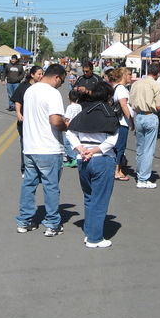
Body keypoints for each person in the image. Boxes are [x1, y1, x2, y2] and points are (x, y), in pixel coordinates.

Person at [66, 81, 120, 248]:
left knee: (89, 197)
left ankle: (89, 231)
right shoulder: (109, 113)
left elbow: (70, 132)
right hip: (102, 159)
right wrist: (95, 150)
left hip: (83, 159)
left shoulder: (84, 112)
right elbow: (113, 139)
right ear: (109, 96)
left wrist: (81, 148)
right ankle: (95, 238)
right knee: (100, 199)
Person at [16, 64, 67, 236]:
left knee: (29, 184)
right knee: (51, 186)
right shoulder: (53, 93)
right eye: (62, 81)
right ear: (57, 77)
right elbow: (55, 121)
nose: (61, 84)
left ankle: (25, 220)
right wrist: (67, 124)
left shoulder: (30, 90)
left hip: (30, 147)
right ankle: (52, 223)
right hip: (48, 148)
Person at [128, 67, 160, 188]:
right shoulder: (157, 85)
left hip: (138, 115)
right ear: (158, 74)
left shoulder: (136, 84)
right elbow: (159, 106)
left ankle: (140, 173)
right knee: (148, 149)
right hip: (150, 115)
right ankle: (143, 178)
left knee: (140, 147)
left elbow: (131, 101)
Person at [10, 65, 44, 174]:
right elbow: (17, 101)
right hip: (25, 122)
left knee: (39, 145)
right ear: (32, 75)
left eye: (42, 74)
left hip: (39, 122)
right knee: (25, 145)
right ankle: (25, 169)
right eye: (39, 74)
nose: (41, 76)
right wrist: (19, 113)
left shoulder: (43, 87)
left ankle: (38, 168)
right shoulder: (23, 86)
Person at [108, 67, 134, 180]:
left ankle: (116, 169)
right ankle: (117, 171)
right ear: (124, 75)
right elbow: (123, 105)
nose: (131, 77)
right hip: (122, 122)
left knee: (117, 146)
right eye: (129, 75)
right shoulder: (121, 89)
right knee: (120, 147)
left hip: (119, 121)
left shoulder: (117, 87)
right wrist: (131, 120)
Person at [62, 89, 82, 168]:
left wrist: (64, 123)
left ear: (69, 97)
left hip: (70, 127)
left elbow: (67, 118)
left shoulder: (70, 107)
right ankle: (75, 156)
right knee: (74, 142)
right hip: (77, 126)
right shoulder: (79, 106)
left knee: (66, 142)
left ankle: (73, 158)